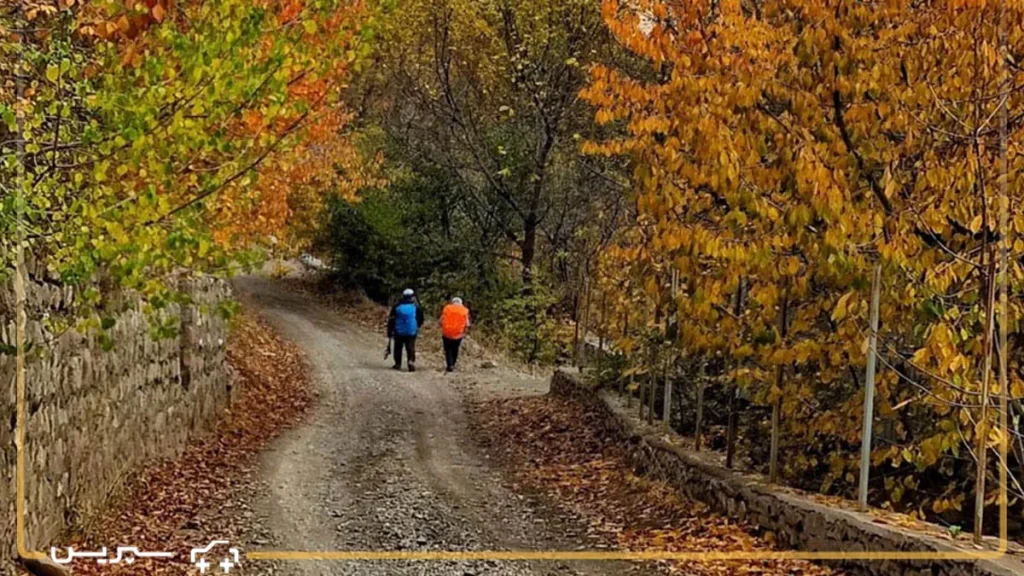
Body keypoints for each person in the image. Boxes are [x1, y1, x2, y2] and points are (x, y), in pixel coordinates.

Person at [387, 288, 424, 372]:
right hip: (411, 330)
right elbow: (421, 318)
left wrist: (390, 331)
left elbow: (391, 319)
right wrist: (417, 326)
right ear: (412, 296)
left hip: (399, 330)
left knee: (398, 347)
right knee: (410, 346)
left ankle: (398, 363)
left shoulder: (397, 305)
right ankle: (410, 361)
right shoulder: (416, 306)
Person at [439, 297, 471, 372]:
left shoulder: (447, 308)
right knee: (455, 349)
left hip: (446, 334)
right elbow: (467, 324)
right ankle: (453, 363)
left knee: (448, 350)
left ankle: (449, 365)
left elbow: (441, 321)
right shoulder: (464, 310)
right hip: (458, 335)